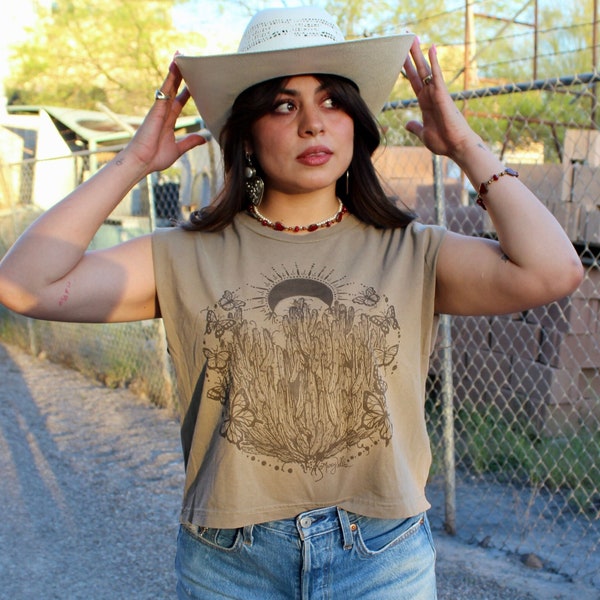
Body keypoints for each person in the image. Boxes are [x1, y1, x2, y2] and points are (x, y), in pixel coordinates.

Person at [0, 6, 583, 600]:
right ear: (247, 131)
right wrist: (132, 164)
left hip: (381, 557)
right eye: (284, 105)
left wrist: (463, 144)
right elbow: (25, 285)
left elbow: (554, 271)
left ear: (356, 123)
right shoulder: (182, 255)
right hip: (231, 564)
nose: (314, 124)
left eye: (333, 101)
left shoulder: (413, 252)